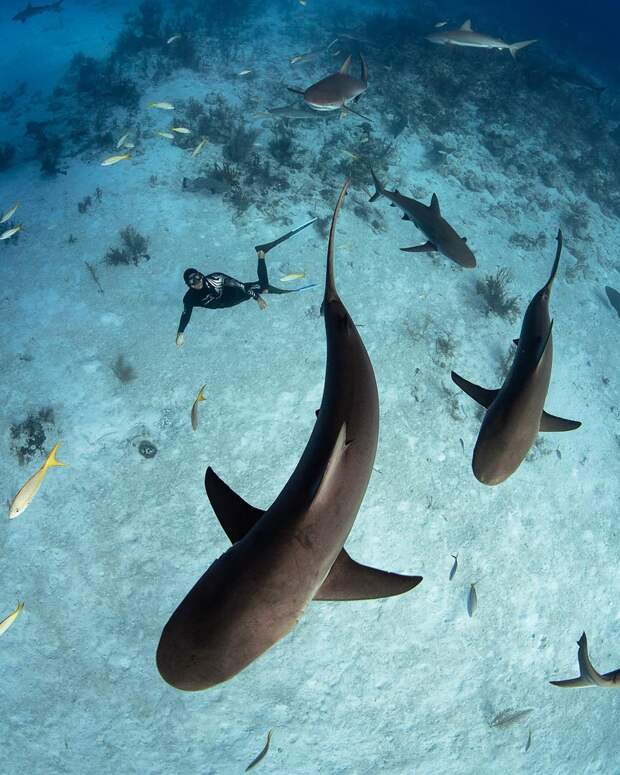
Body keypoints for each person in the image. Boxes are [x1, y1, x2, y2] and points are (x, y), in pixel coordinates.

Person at [176, 219, 316, 346]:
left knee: (264, 287)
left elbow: (239, 285)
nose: (197, 282)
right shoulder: (189, 298)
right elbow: (185, 315)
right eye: (192, 281)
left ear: (201, 275)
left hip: (236, 293)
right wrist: (180, 333)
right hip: (228, 303)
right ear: (188, 285)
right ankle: (261, 256)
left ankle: (261, 254)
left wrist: (257, 298)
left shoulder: (216, 278)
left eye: (198, 277)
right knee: (264, 287)